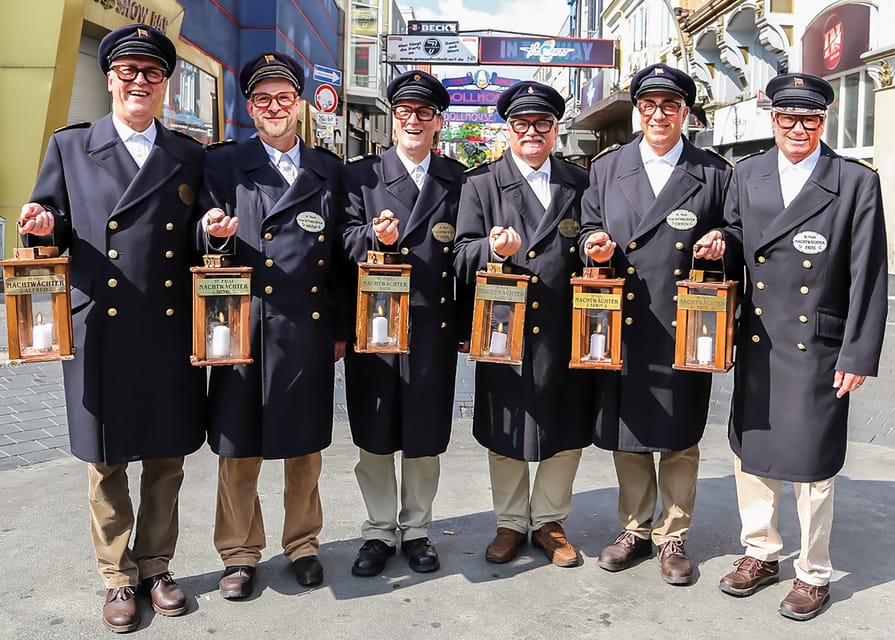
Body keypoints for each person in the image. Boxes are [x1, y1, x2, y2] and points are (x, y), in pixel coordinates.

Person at [18, 24, 206, 633]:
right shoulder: (71, 147)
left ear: (165, 85)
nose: (139, 82)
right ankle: (117, 576)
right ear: (109, 79)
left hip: (169, 324)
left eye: (152, 73)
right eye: (128, 71)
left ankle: (156, 566)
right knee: (105, 459)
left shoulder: (188, 154)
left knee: (166, 454)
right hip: (102, 323)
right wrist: (40, 226)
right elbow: (49, 226)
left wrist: (216, 232)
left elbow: (202, 235)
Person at [695, 73, 887, 620]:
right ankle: (760, 551)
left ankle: (814, 571)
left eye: (810, 119)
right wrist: (720, 243)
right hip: (760, 340)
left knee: (812, 464)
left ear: (823, 122)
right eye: (787, 118)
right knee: (752, 453)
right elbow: (736, 237)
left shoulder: (853, 181)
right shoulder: (747, 173)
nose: (798, 128)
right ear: (772, 120)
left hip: (818, 346)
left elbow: (868, 274)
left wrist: (857, 353)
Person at [198, 51, 348, 600]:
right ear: (249, 107)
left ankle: (303, 543)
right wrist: (212, 232)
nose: (274, 107)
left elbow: (339, 255)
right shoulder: (221, 165)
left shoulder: (328, 169)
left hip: (304, 328)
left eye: (284, 97)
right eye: (263, 99)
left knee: (304, 446)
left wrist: (340, 328)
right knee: (238, 447)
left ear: (300, 103)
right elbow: (199, 237)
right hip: (240, 325)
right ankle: (239, 552)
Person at [580, 63, 732, 585]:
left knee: (680, 434)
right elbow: (589, 223)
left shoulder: (712, 171)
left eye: (671, 106)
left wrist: (723, 244)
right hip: (621, 319)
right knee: (630, 433)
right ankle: (634, 528)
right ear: (638, 111)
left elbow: (734, 229)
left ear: (685, 112)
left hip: (685, 323)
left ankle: (673, 535)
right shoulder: (608, 167)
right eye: (649, 105)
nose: (659, 115)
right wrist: (592, 245)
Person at [453, 81, 591, 567]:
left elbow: (594, 236)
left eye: (542, 124)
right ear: (507, 129)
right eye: (521, 124)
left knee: (566, 423)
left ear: (556, 130)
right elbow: (459, 254)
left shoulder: (579, 182)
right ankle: (511, 522)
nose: (531, 132)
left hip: (564, 325)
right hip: (503, 327)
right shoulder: (481, 184)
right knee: (505, 424)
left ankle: (550, 521)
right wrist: (493, 249)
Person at [340, 70, 469, 576]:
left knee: (424, 431)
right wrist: (373, 237)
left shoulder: (459, 180)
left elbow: (465, 254)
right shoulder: (361, 176)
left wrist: (466, 326)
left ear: (439, 122)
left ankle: (417, 528)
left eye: (424, 113)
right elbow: (339, 241)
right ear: (393, 119)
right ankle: (376, 531)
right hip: (374, 326)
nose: (413, 121)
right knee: (374, 431)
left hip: (432, 327)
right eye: (404, 112)